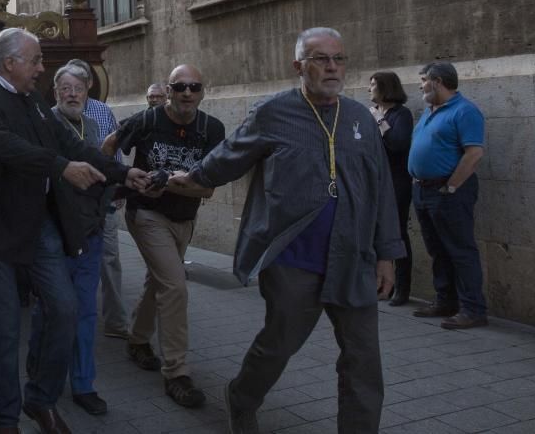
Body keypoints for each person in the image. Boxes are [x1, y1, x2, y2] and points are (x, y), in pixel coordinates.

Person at [169, 27, 404, 434]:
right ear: (299, 66)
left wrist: (387, 254)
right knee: (279, 346)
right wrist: (190, 177)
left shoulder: (361, 118)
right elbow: (230, 155)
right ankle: (242, 397)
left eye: (338, 59)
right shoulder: (273, 112)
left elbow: (381, 187)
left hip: (353, 258)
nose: (332, 67)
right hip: (294, 259)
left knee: (363, 360)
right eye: (320, 59)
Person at [0, 28, 151, 434]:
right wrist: (60, 168)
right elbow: (4, 144)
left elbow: (74, 146)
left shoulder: (35, 105)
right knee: (4, 331)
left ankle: (40, 399)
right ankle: (5, 418)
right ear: (10, 63)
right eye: (36, 60)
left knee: (65, 309)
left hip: (35, 225)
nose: (43, 69)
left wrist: (124, 172)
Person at [103, 65, 225, 408]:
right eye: (180, 87)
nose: (187, 93)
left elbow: (208, 190)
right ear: (168, 91)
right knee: (174, 285)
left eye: (194, 87)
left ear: (203, 92)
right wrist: (119, 178)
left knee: (159, 283)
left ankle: (137, 339)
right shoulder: (147, 121)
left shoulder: (211, 129)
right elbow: (109, 145)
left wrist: (166, 179)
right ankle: (177, 373)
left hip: (184, 218)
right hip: (146, 214)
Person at [29, 63, 112, 416]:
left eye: (78, 87)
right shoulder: (43, 124)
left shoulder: (92, 126)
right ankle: (38, 372)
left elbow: (104, 173)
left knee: (85, 310)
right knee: (49, 309)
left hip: (89, 232)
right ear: (55, 92)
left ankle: (83, 383)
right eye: (65, 87)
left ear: (88, 91)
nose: (72, 93)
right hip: (52, 234)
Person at [409, 61, 487, 329]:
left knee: (460, 250)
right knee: (437, 249)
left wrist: (451, 186)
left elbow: (474, 153)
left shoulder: (465, 111)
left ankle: (473, 309)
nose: (420, 85)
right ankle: (446, 300)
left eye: (423, 80)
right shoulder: (429, 110)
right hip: (422, 190)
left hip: (448, 191)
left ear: (438, 81)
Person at [64, 59, 128, 341]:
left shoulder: (102, 112)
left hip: (102, 199)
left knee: (110, 257)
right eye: (68, 85)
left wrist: (119, 185)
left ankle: (115, 320)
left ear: (89, 85)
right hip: (70, 203)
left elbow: (113, 152)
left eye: (81, 82)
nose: (74, 91)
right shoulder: (56, 115)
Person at [369, 71, 414, 306]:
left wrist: (379, 120)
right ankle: (382, 283)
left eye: (374, 85)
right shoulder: (373, 114)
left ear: (386, 88)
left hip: (397, 182)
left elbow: (398, 144)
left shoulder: (400, 115)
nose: (370, 90)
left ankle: (402, 288)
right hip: (375, 181)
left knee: (397, 233)